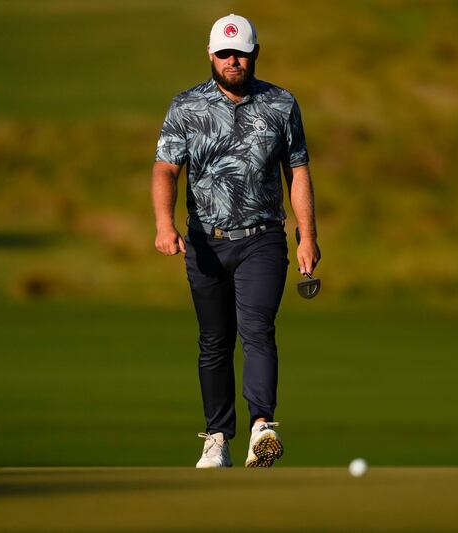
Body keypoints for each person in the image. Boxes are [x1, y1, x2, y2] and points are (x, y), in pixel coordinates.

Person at [151, 13, 320, 468]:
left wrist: (308, 235)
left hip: (263, 237)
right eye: (224, 54)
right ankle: (217, 437)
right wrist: (164, 225)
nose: (233, 62)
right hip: (206, 242)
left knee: (258, 329)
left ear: (255, 54)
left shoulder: (281, 105)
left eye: (240, 54)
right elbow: (166, 169)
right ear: (211, 54)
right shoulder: (186, 107)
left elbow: (297, 170)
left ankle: (262, 426)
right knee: (214, 341)